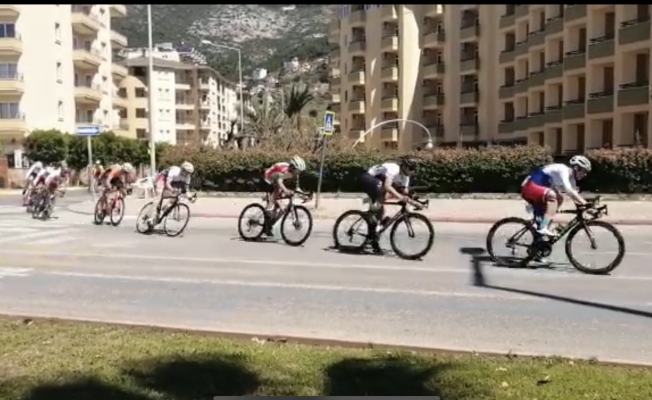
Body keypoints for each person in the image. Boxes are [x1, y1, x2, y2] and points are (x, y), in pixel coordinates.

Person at [360, 157, 423, 253]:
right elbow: (387, 186)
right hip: (368, 178)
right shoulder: (394, 169)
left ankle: (373, 238)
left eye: (414, 169)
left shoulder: (406, 177)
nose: (412, 171)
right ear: (404, 167)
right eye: (411, 169)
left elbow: (404, 193)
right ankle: (371, 215)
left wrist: (415, 203)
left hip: (378, 181)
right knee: (382, 193)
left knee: (381, 212)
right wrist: (400, 197)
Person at [521, 155, 592, 237]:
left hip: (539, 189)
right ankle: (542, 227)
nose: (585, 174)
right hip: (529, 186)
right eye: (584, 171)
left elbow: (574, 195)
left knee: (560, 199)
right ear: (576, 168)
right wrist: (585, 202)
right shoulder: (563, 170)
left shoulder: (572, 179)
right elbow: (569, 190)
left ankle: (544, 221)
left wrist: (589, 209)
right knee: (552, 197)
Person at [262, 155, 306, 236]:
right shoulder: (284, 170)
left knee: (282, 208)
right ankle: (268, 209)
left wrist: (303, 195)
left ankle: (268, 226)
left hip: (277, 178)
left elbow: (297, 188)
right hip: (269, 177)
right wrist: (285, 190)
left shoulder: (295, 174)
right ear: (292, 167)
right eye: (297, 171)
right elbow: (279, 182)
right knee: (277, 190)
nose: (298, 173)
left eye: (300, 171)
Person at [147, 161, 194, 225]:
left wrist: (190, 197)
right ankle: (150, 217)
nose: (188, 174)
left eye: (190, 173)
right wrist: (172, 190)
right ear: (182, 170)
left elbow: (186, 189)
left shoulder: (188, 177)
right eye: (187, 172)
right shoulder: (175, 171)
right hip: (163, 178)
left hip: (174, 181)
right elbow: (167, 184)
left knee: (175, 197)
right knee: (158, 196)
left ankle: (162, 211)